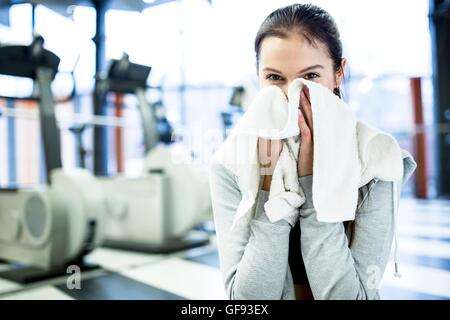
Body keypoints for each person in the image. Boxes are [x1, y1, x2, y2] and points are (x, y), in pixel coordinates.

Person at [209, 3, 416, 300]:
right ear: (258, 78)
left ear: (338, 74)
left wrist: (314, 182)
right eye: (275, 78)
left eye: (310, 77)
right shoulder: (231, 164)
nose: (292, 94)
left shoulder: (375, 161)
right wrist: (269, 186)